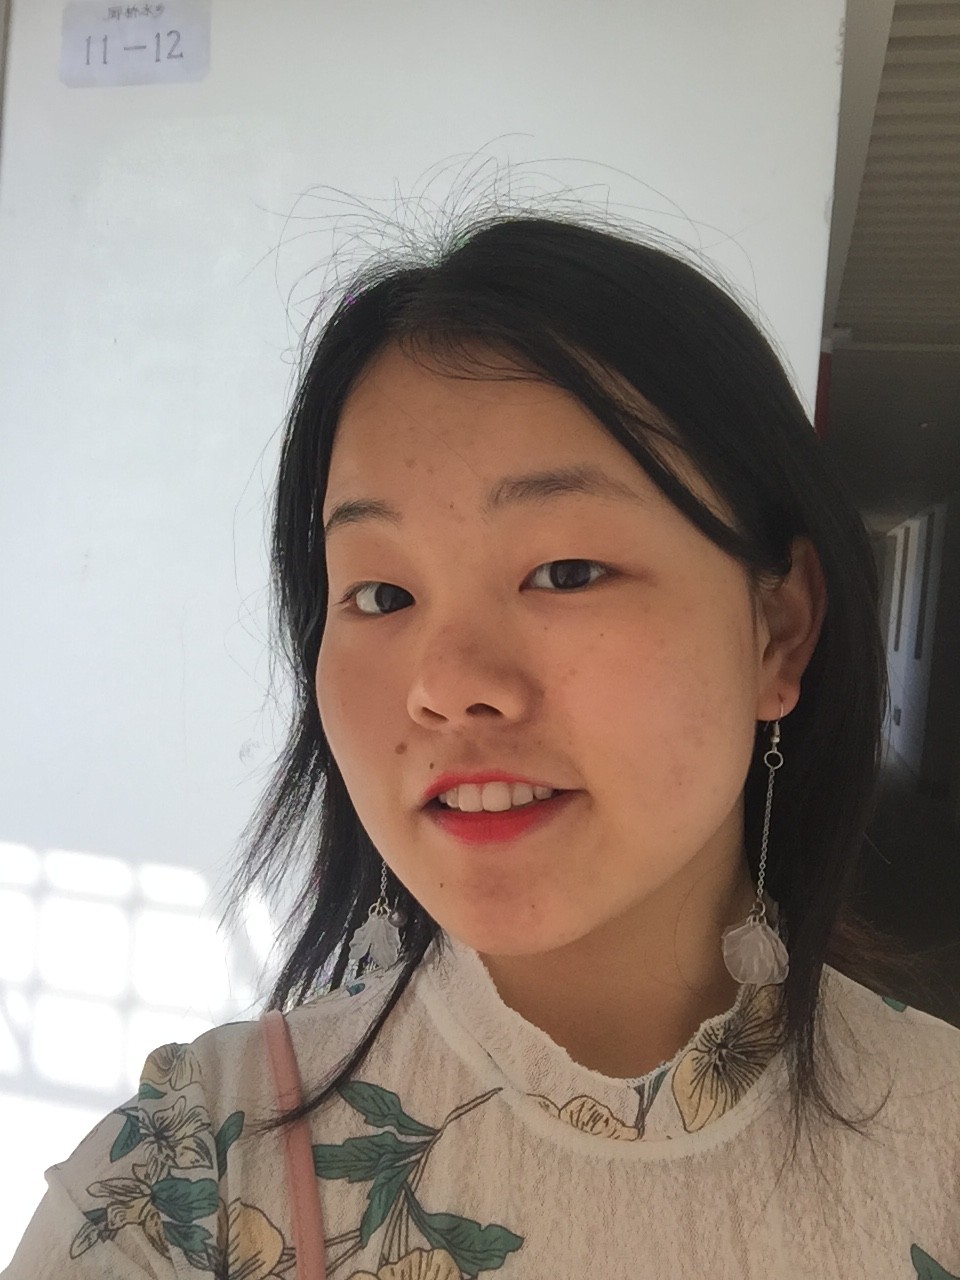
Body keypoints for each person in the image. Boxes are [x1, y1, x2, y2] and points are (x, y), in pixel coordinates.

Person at [5, 211, 958, 1280]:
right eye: (380, 592)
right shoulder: (183, 1185)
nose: (447, 684)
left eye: (565, 572)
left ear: (778, 629)